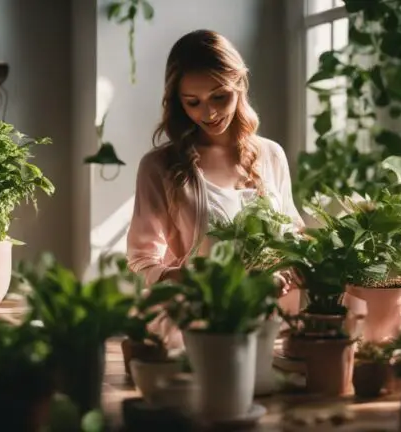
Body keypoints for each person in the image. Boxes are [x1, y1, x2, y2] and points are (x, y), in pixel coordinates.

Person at [126, 30, 303, 344]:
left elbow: (294, 237)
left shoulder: (271, 155)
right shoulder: (160, 167)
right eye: (192, 102)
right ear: (177, 102)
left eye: (219, 97)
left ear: (239, 86)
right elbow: (141, 261)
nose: (208, 113)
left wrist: (287, 274)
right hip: (201, 326)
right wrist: (189, 278)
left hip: (275, 323)